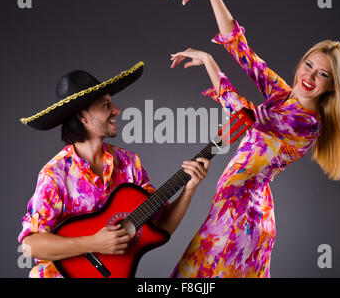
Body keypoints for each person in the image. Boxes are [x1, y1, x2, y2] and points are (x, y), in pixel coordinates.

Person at [164, 0, 340, 277]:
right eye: (308, 65)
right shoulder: (284, 96)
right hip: (237, 213)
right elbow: (242, 50)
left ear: (332, 86)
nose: (309, 76)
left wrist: (208, 60)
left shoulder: (307, 123)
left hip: (241, 221)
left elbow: (244, 114)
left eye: (322, 74)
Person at [18, 62, 210, 278]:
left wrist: (189, 189)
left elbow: (160, 227)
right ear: (82, 116)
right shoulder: (55, 175)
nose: (117, 110)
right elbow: (30, 245)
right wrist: (93, 243)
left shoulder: (129, 163)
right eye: (106, 104)